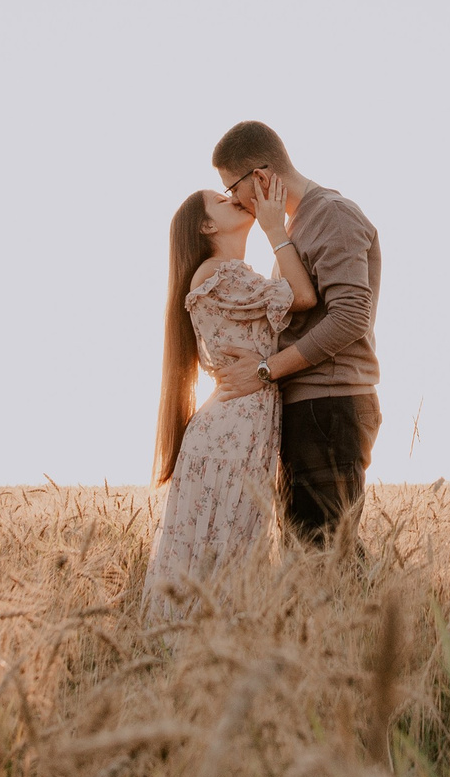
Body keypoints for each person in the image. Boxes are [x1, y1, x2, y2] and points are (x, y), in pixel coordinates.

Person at [205, 121, 382, 547]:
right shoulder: (296, 225)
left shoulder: (332, 215)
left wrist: (264, 370)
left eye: (233, 189)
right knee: (310, 558)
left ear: (261, 178)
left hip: (330, 405)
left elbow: (351, 317)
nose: (236, 201)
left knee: (323, 559)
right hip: (313, 408)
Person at [143, 183, 318, 613]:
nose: (233, 199)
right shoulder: (218, 273)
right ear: (206, 226)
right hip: (231, 431)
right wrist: (276, 227)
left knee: (230, 542)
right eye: (222, 202)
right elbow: (305, 296)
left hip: (241, 426)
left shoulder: (238, 276)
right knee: (221, 542)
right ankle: (192, 652)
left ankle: (209, 653)